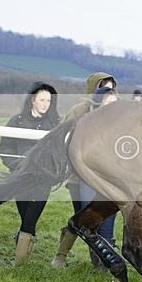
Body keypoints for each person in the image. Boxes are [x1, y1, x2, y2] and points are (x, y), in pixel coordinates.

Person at [51, 72, 117, 269]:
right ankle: (60, 257)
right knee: (83, 219)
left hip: (108, 180)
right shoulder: (78, 111)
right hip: (78, 178)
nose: (106, 90)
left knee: (104, 221)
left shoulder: (119, 115)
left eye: (110, 86)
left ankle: (102, 264)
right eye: (102, 86)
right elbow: (63, 139)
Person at [0, 81, 61, 264]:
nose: (45, 104)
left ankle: (20, 261)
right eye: (42, 100)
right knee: (26, 217)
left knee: (30, 218)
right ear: (32, 99)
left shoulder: (56, 123)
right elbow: (5, 147)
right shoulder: (16, 121)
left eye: (49, 101)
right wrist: (16, 166)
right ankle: (23, 254)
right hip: (21, 178)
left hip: (43, 179)